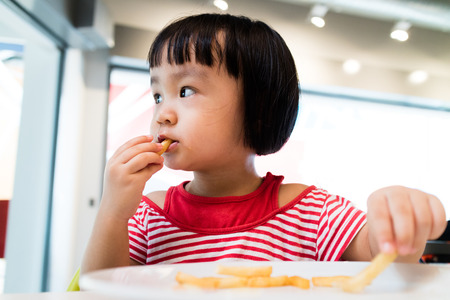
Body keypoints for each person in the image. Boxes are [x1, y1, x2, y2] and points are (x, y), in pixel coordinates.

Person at [81, 13, 446, 274]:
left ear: (258, 112)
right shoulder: (147, 216)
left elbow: (381, 260)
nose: (162, 114)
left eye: (186, 90)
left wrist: (398, 221)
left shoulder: (312, 212)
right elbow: (101, 289)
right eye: (158, 95)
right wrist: (113, 210)